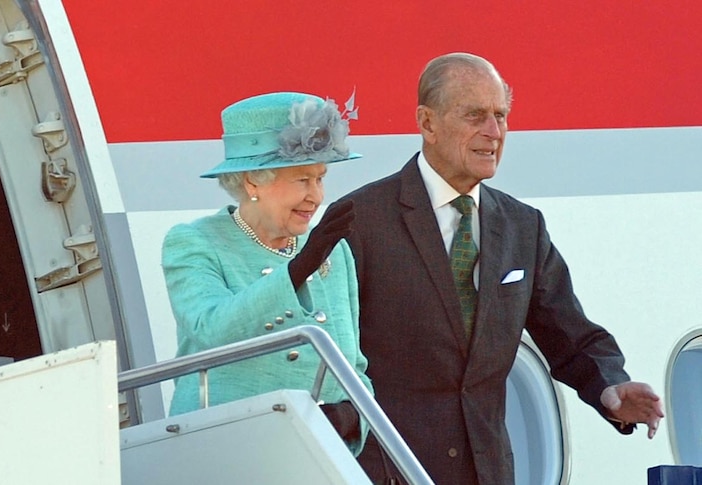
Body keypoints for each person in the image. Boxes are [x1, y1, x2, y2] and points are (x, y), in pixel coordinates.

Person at [341, 52, 665, 484]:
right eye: (475, 115)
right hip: (389, 472)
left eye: (501, 116)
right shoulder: (359, 220)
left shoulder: (522, 227)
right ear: (427, 123)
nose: (493, 133)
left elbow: (570, 333)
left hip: (488, 472)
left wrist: (610, 387)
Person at [162, 91, 373, 453]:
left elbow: (354, 368)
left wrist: (353, 418)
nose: (317, 196)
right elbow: (211, 329)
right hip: (225, 455)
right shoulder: (194, 242)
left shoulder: (333, 252)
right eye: (302, 180)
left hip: (313, 454)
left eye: (320, 178)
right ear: (253, 182)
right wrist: (296, 271)